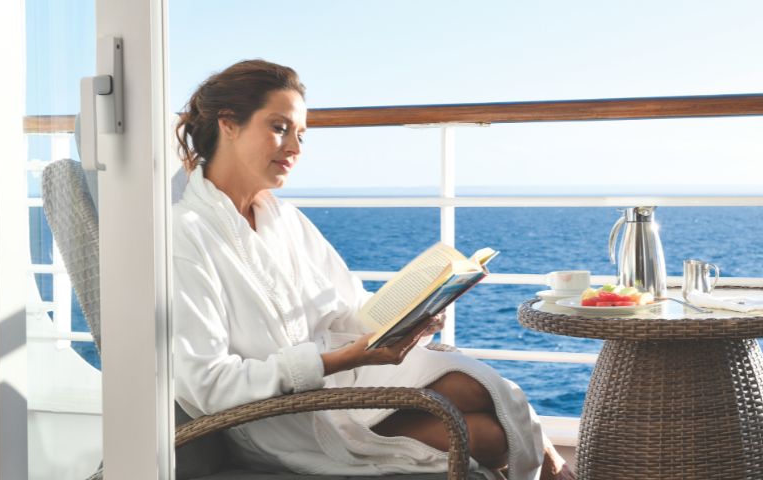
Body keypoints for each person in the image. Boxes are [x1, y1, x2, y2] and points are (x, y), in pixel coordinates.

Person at [172, 59, 574, 480]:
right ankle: (557, 472)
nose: (294, 148)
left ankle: (555, 471)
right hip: (284, 416)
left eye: (301, 135)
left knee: (480, 387)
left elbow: (349, 306)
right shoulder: (187, 236)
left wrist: (415, 312)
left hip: (343, 382)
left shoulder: (284, 220)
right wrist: (339, 358)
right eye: (279, 127)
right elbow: (208, 383)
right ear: (228, 124)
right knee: (489, 436)